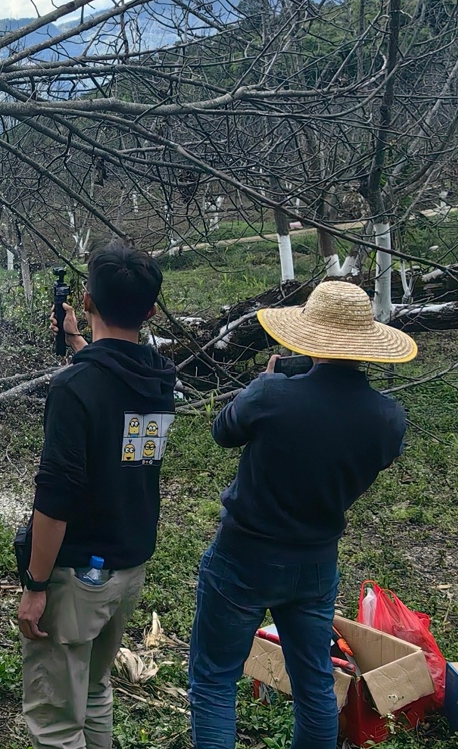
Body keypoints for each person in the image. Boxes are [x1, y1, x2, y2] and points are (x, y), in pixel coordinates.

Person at [188, 280, 413, 749]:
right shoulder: (388, 418)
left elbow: (223, 431)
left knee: (213, 682)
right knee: (314, 686)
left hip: (242, 556)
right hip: (315, 563)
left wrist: (263, 384)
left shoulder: (272, 394)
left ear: (310, 338)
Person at [18, 242, 175, 749]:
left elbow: (55, 497)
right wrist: (80, 342)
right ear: (150, 310)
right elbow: (114, 385)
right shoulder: (158, 375)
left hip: (79, 572)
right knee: (96, 689)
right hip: (128, 566)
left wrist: (36, 582)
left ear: (86, 299)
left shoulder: (74, 389)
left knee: (57, 721)